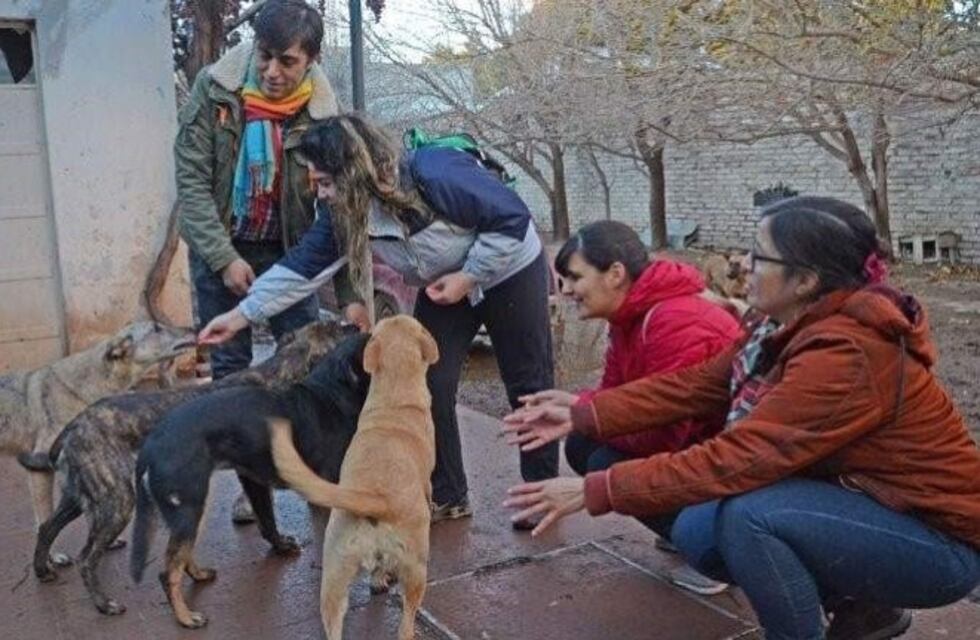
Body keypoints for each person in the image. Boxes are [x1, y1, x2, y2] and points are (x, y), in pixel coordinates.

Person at [502, 196, 980, 640]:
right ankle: (863, 611)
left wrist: (597, 489)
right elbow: (699, 384)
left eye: (759, 256)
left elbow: (738, 459)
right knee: (702, 530)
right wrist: (583, 412)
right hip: (869, 503)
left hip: (939, 541)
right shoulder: (780, 326)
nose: (742, 265)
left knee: (751, 518)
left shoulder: (846, 353)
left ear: (807, 279)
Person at [198, 114, 558, 526]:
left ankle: (541, 494)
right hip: (445, 283)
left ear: (356, 170)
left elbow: (512, 218)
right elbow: (301, 270)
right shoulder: (343, 212)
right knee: (424, 381)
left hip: (509, 266)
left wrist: (469, 275)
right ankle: (448, 494)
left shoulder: (436, 174)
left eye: (327, 181)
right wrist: (240, 316)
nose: (321, 191)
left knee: (528, 385)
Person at [176, 0, 338, 523]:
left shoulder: (324, 116)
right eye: (265, 57)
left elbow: (337, 209)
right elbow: (193, 183)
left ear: (310, 60)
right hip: (221, 247)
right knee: (232, 373)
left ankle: (313, 473)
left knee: (304, 366)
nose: (272, 72)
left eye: (287, 61)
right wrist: (223, 258)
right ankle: (255, 486)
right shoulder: (215, 88)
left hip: (291, 252)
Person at [522, 220, 740, 594]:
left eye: (575, 277)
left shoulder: (676, 321)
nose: (568, 290)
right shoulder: (629, 317)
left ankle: (716, 553)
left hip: (727, 465)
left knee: (604, 463)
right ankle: (684, 527)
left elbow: (667, 434)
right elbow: (615, 393)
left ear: (616, 274)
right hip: (694, 448)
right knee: (583, 446)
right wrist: (580, 410)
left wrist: (587, 420)